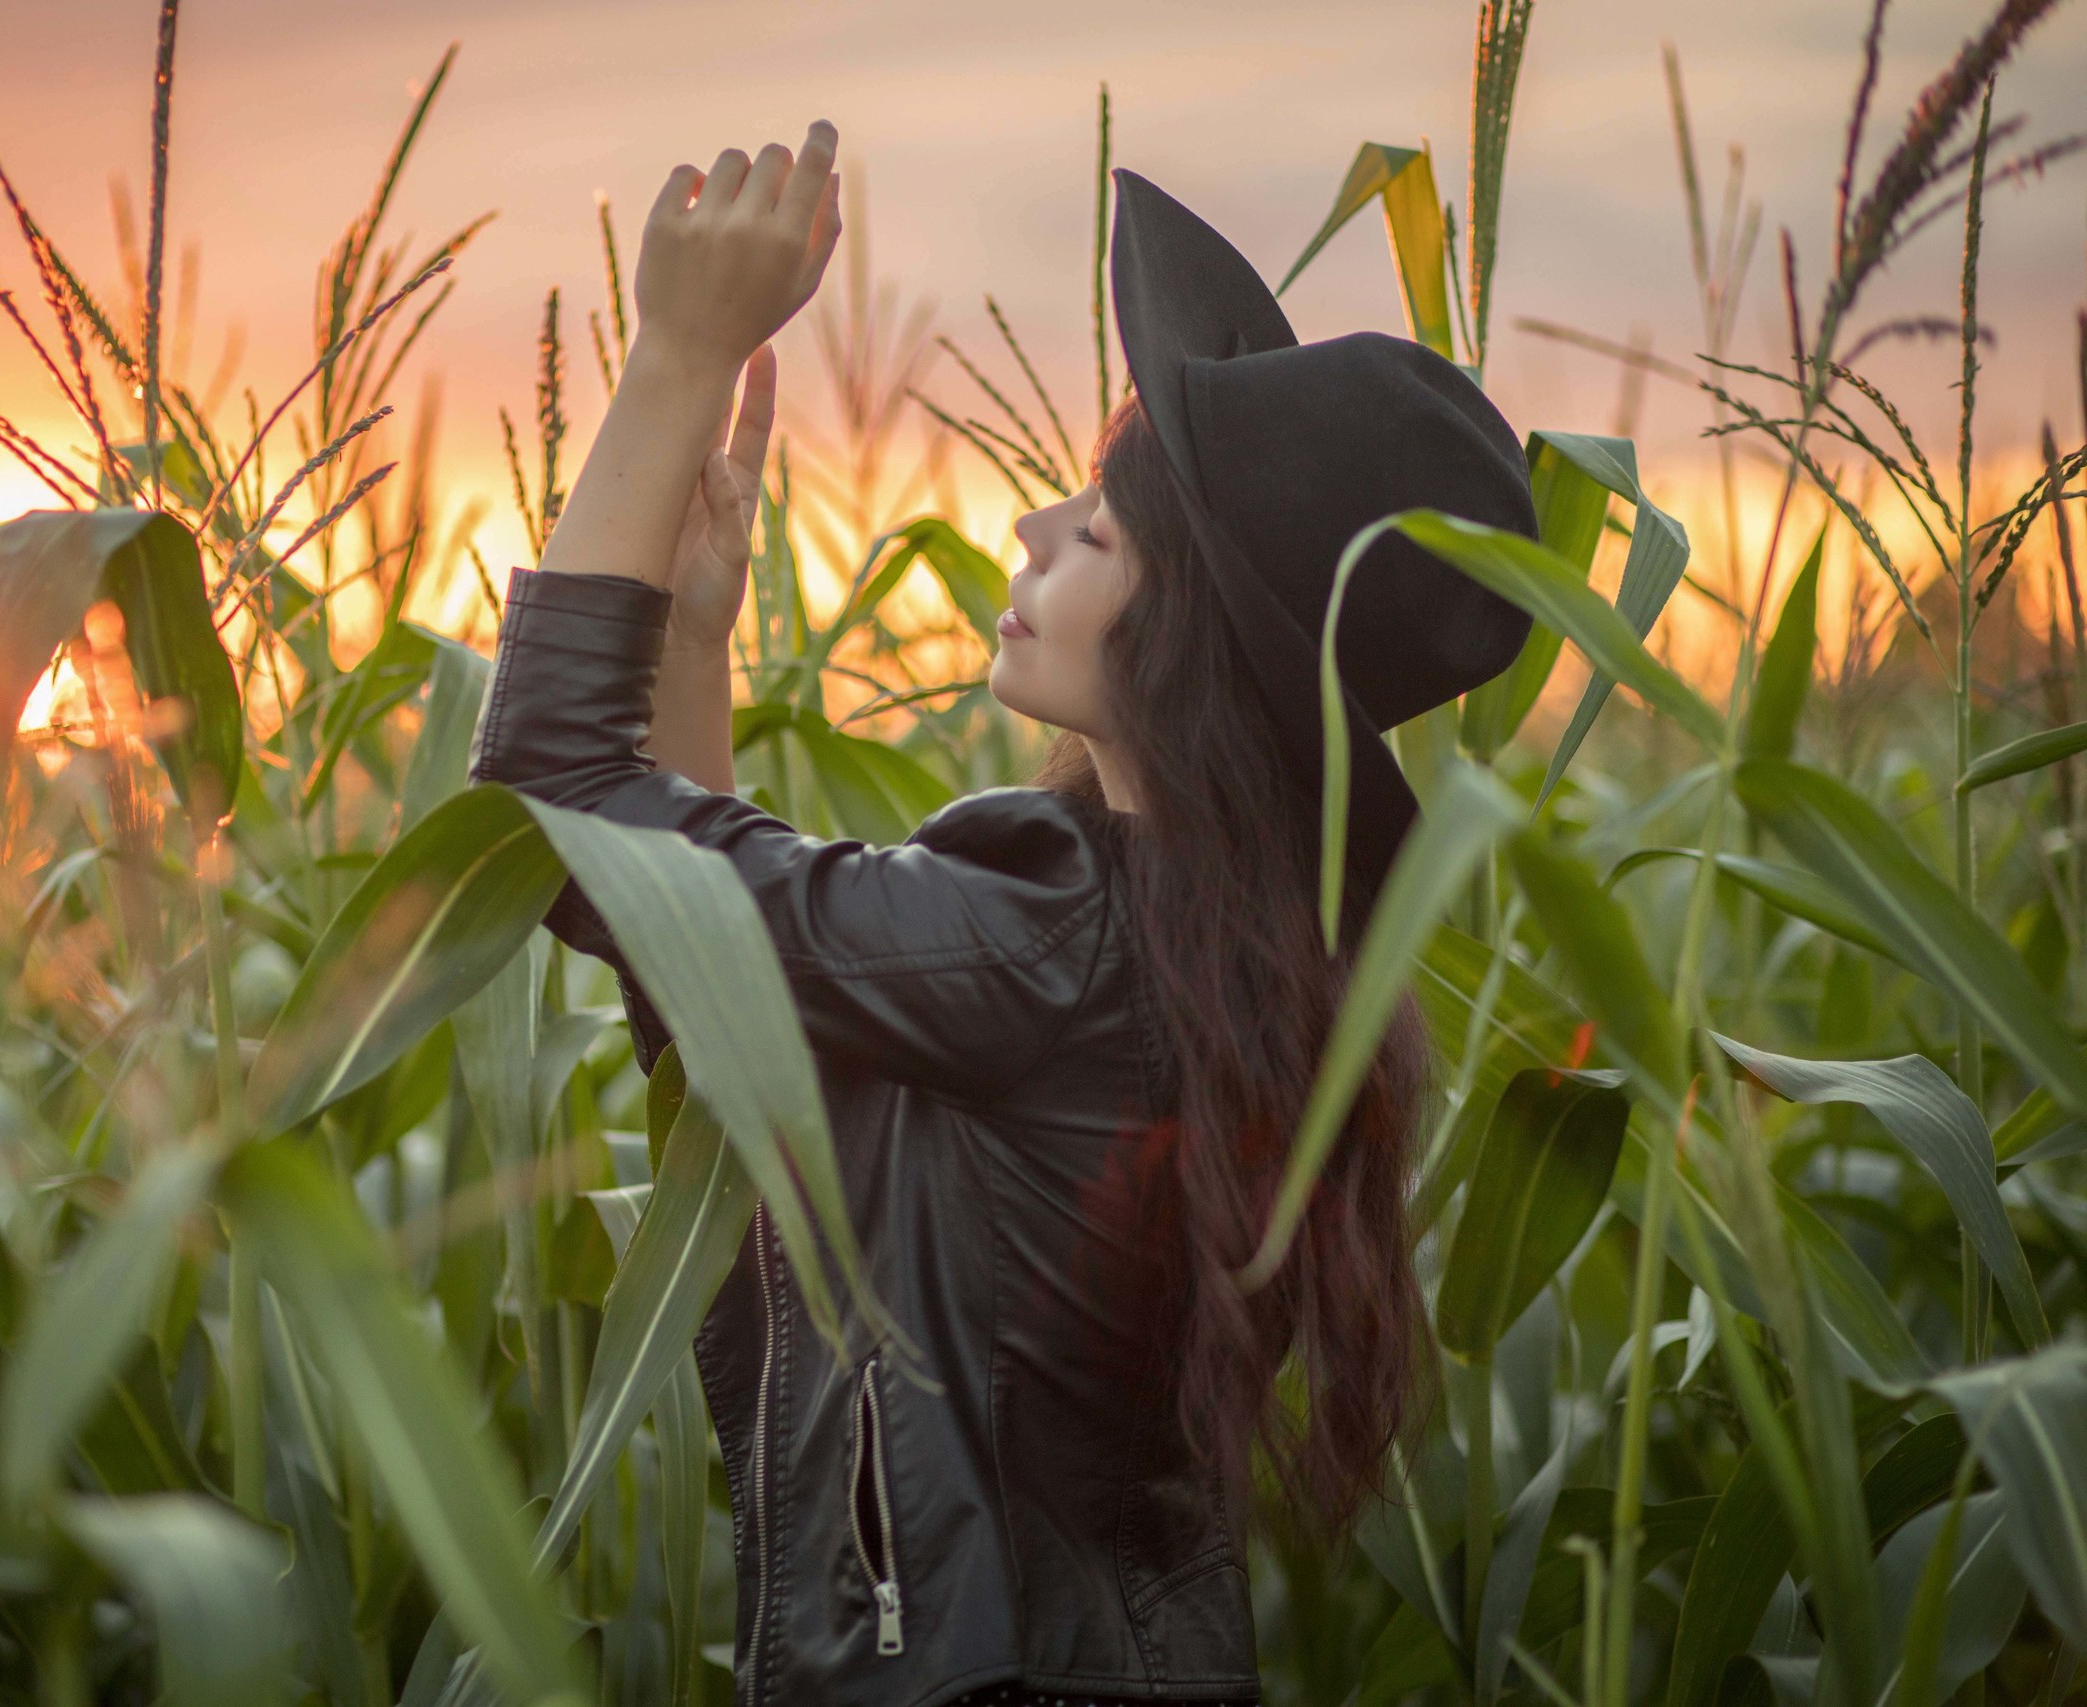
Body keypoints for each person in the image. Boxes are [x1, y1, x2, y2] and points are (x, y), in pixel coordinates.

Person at [470, 120, 1538, 1707]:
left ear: (1185, 640)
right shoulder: (1205, 949)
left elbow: (550, 801)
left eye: (1097, 530)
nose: (1032, 534)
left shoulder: (1055, 942)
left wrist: (675, 361)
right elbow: (738, 1010)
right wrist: (691, 649)